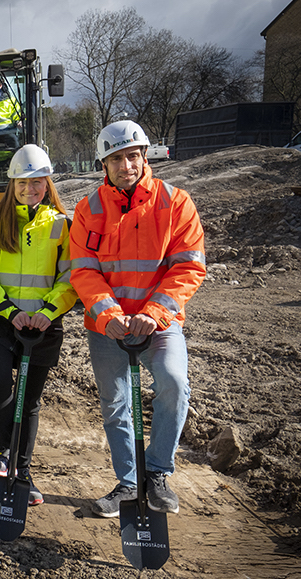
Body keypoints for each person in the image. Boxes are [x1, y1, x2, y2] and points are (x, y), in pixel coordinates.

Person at [69, 120, 206, 517]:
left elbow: (189, 267)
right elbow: (83, 270)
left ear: (145, 156)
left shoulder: (176, 202)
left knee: (174, 383)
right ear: (104, 164)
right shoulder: (88, 208)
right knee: (116, 404)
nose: (125, 165)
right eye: (116, 159)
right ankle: (129, 482)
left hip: (159, 323)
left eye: (132, 156)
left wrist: (156, 312)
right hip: (107, 327)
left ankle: (158, 472)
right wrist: (108, 313)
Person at [0, 144, 77, 506]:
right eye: (22, 182)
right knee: (0, 385)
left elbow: (70, 278)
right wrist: (8, 310)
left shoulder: (62, 226)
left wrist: (47, 313)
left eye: (37, 182)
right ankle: (5, 453)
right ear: (11, 183)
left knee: (28, 401)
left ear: (47, 184)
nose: (30, 189)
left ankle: (22, 471)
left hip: (43, 321)